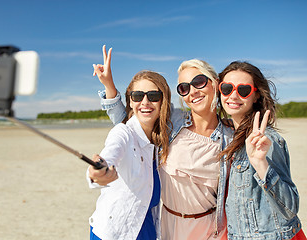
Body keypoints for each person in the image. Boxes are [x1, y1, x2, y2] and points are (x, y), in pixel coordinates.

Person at [93, 45, 233, 239]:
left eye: (199, 82)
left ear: (215, 83)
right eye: (184, 87)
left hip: (208, 227)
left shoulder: (230, 136)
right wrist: (109, 86)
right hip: (167, 224)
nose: (193, 91)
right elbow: (130, 124)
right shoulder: (173, 122)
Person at [218, 61, 306, 240]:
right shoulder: (228, 136)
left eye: (243, 90)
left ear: (256, 96)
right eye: (227, 88)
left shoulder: (266, 140)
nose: (233, 95)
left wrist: (260, 163)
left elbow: (290, 207)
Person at [87, 68, 172, 239]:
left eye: (153, 96)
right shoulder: (123, 133)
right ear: (131, 102)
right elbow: (110, 154)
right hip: (114, 232)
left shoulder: (161, 141)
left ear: (163, 101)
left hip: (147, 229)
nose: (145, 102)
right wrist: (98, 173)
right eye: (138, 96)